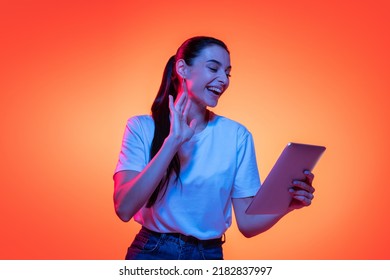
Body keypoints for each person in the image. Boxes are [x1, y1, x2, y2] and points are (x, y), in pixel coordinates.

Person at [113, 36, 316, 260]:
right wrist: (172, 142)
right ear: (182, 68)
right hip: (153, 252)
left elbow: (247, 225)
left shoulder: (237, 136)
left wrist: (288, 205)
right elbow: (124, 208)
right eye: (213, 68)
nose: (223, 80)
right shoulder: (141, 127)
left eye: (227, 73)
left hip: (208, 255)